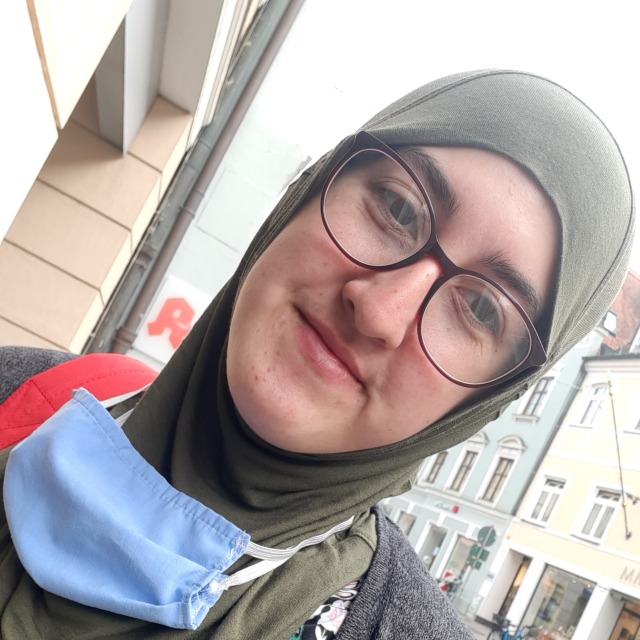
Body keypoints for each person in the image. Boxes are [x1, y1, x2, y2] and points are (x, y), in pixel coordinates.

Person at [0, 69, 634, 639]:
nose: (380, 311)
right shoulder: (17, 391)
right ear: (308, 190)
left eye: (482, 310)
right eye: (397, 208)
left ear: (485, 401)